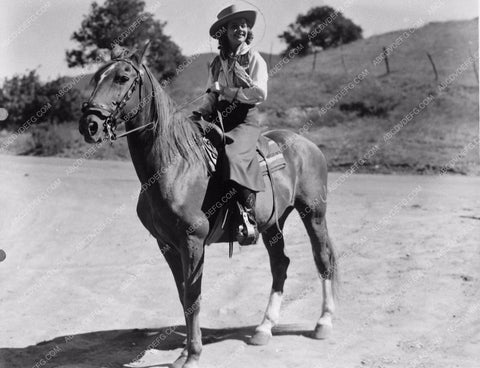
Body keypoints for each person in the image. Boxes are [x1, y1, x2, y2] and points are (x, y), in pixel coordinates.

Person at [193, 4, 268, 245]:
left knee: (233, 154)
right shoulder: (216, 63)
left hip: (245, 119)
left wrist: (228, 90)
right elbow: (210, 94)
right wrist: (199, 112)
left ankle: (248, 217)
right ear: (224, 32)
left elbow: (260, 93)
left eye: (243, 25)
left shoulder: (254, 58)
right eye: (234, 26)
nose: (240, 30)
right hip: (219, 116)